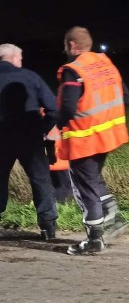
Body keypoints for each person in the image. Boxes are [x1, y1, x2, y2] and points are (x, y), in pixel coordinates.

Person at [55, 26, 129, 255]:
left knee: (85, 188)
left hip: (84, 139)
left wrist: (54, 126)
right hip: (107, 135)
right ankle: (114, 218)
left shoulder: (73, 70)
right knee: (93, 179)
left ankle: (95, 240)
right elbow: (126, 97)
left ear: (71, 45)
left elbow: (68, 107)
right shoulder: (104, 63)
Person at [0, 43, 59, 240]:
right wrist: (42, 130)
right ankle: (48, 226)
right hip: (30, 136)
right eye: (20, 58)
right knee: (40, 179)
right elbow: (53, 109)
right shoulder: (31, 77)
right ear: (14, 58)